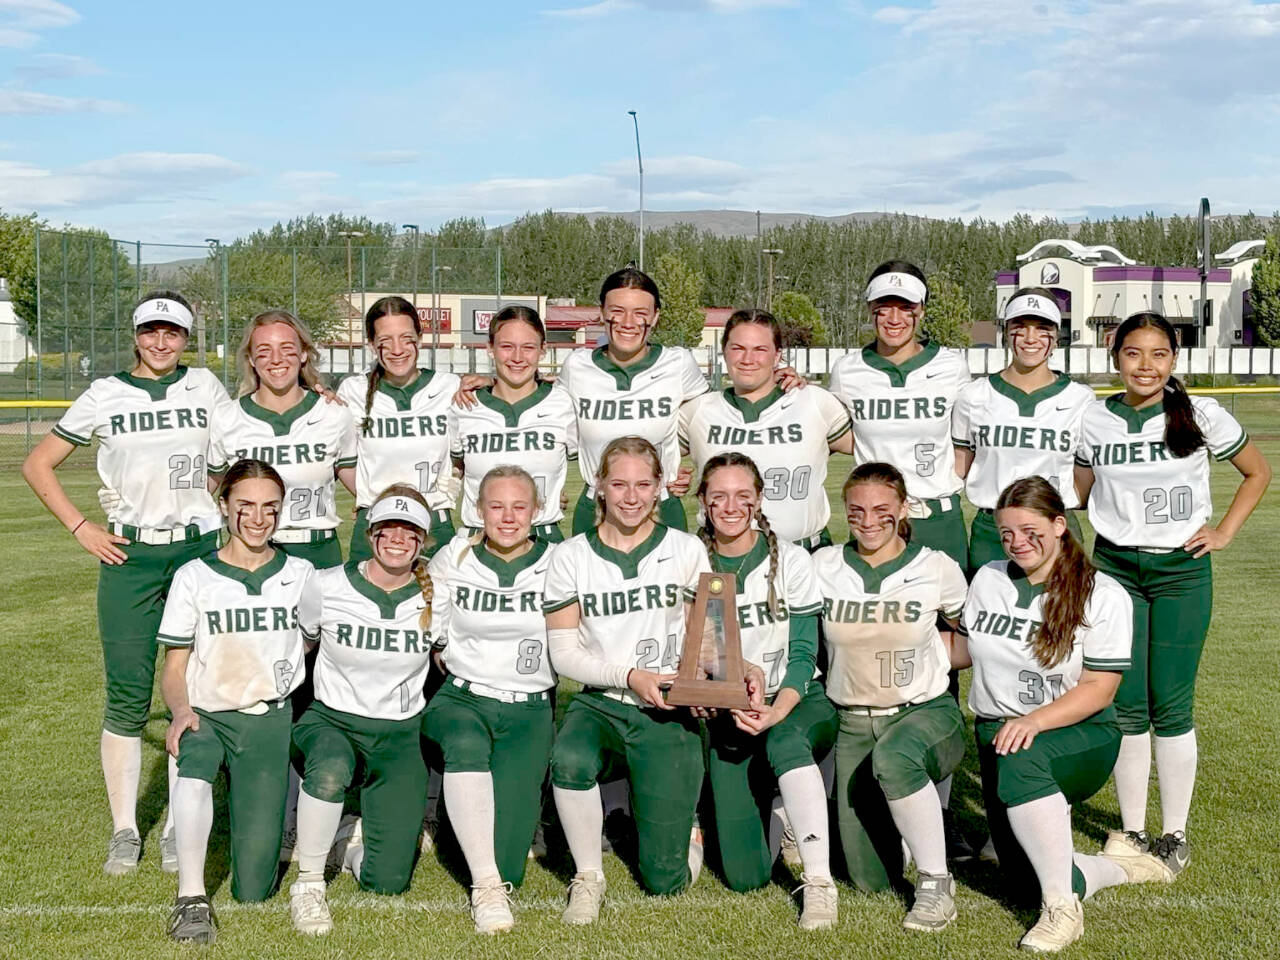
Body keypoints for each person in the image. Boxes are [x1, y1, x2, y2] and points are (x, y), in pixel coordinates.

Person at [22, 290, 228, 876]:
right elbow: (38, 463)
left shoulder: (205, 387)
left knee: (192, 687)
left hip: (197, 550)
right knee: (128, 692)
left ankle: (175, 826)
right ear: (135, 333)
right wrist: (81, 526)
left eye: (174, 332)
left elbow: (233, 452)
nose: (162, 342)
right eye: (151, 331)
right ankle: (125, 828)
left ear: (188, 337)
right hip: (129, 556)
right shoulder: (106, 393)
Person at [1075, 312, 1270, 879]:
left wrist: (1225, 531)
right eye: (1133, 354)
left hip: (1181, 570)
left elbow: (1257, 473)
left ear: (1174, 359)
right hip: (1114, 570)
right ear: (1116, 358)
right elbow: (1082, 491)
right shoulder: (1095, 418)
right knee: (1126, 703)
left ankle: (1174, 833)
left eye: (1158, 354)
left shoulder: (1200, 413)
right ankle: (1132, 829)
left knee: (1172, 703)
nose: (1145, 366)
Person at [953, 476, 1169, 953]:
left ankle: (1062, 911)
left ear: (1059, 524)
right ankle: (1118, 868)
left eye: (1031, 531)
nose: (1018, 542)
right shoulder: (989, 577)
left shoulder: (1101, 592)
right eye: (1006, 532)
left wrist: (1035, 721)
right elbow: (960, 652)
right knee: (1023, 879)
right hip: (997, 731)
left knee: (1023, 760)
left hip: (1079, 733)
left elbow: (1100, 689)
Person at [826, 260, 972, 854]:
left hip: (934, 519)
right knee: (864, 643)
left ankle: (937, 807)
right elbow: (835, 432)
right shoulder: (849, 369)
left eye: (905, 307)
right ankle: (859, 792)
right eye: (883, 307)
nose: (893, 317)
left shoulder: (953, 366)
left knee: (945, 658)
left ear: (920, 312)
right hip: (874, 520)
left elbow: (970, 436)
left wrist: (940, 484)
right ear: (870, 311)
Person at [543, 436, 718, 923]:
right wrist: (628, 675)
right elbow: (563, 655)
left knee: (665, 882)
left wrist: (705, 682)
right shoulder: (571, 556)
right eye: (619, 483)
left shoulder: (685, 550)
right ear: (599, 486)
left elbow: (701, 638)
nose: (631, 496)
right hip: (600, 701)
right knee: (571, 757)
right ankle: (587, 876)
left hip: (665, 707)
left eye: (643, 484)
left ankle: (687, 827)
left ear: (661, 487)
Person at [157, 459, 321, 944]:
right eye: (245, 505)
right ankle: (190, 897)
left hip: (268, 721)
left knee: (255, 889)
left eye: (269, 508)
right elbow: (174, 665)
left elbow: (310, 642)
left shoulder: (302, 573)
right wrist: (182, 711)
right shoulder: (194, 575)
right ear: (223, 505)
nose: (257, 518)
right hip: (207, 714)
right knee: (195, 758)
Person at [812, 462, 968, 932]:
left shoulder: (936, 567)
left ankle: (936, 881)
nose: (869, 520)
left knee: (898, 757)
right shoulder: (825, 566)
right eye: (856, 511)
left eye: (883, 509)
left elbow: (975, 638)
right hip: (853, 721)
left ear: (904, 509)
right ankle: (911, 828)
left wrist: (934, 657)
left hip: (921, 712)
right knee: (868, 879)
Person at [694, 453, 838, 929]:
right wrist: (726, 690)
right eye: (718, 496)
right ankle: (777, 805)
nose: (731, 507)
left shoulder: (792, 559)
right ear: (703, 501)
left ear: (759, 500)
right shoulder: (689, 558)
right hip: (726, 706)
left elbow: (803, 653)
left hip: (794, 700)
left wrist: (777, 711)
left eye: (743, 496)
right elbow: (693, 649)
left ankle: (819, 882)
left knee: (785, 740)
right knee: (745, 875)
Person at [289, 484, 435, 935]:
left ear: (422, 541)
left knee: (386, 882)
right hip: (333, 720)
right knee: (330, 768)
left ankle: (345, 839)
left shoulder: (436, 595)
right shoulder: (328, 584)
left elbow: (449, 656)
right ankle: (309, 883)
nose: (397, 540)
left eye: (409, 532)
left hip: (400, 733)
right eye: (387, 529)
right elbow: (304, 645)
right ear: (370, 534)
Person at [423, 466, 556, 934]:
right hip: (464, 700)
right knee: (463, 741)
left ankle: (479, 847)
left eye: (519, 506)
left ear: (536, 510)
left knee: (510, 863)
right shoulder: (455, 555)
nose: (507, 517)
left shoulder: (558, 561)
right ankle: (485, 889)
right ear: (478, 510)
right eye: (496, 506)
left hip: (530, 707)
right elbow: (430, 623)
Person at [553, 268, 711, 533]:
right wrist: (493, 383)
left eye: (640, 313)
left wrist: (671, 464)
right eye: (617, 310)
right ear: (602, 312)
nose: (628, 322)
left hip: (660, 507)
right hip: (596, 507)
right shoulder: (577, 366)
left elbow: (712, 418)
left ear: (656, 317)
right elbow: (542, 412)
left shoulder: (677, 363)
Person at [681, 309, 854, 550]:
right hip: (721, 556)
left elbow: (874, 444)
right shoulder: (698, 410)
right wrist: (671, 478)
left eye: (760, 349)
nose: (747, 359)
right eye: (738, 348)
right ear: (724, 352)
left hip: (806, 553)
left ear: (777, 356)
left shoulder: (813, 402)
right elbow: (652, 455)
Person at [953, 288, 1096, 571]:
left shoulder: (1081, 399)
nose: (1031, 338)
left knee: (1061, 613)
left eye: (1042, 328)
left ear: (1056, 336)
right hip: (993, 529)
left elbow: (1081, 485)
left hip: (1054, 527)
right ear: (1006, 332)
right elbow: (961, 467)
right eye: (1020, 327)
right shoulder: (973, 396)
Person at [209, 309, 357, 570]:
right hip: (251, 554)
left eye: (287, 349)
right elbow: (200, 491)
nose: (276, 359)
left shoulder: (334, 414)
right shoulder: (226, 417)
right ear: (251, 359)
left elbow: (365, 485)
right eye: (264, 350)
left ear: (303, 354)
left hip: (318, 553)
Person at [337, 296, 460, 562]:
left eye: (406, 338)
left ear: (420, 337)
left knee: (438, 603)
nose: (397, 349)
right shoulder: (353, 391)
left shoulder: (448, 386)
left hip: (434, 522)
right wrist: (372, 494)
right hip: (377, 523)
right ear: (371, 345)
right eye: (385, 341)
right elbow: (341, 461)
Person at [448, 306, 576, 542]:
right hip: (479, 540)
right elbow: (455, 466)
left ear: (543, 350)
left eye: (528, 347)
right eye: (507, 346)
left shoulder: (564, 404)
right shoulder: (463, 405)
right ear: (490, 348)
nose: (517, 357)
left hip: (544, 538)